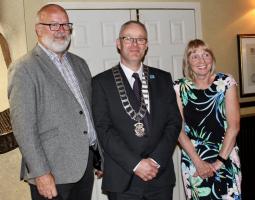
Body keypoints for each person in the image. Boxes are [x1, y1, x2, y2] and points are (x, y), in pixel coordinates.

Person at [8, 4, 101, 200]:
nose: (61, 30)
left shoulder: (80, 64)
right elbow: (23, 128)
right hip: (52, 171)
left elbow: (88, 113)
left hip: (83, 167)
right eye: (54, 25)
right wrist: (41, 173)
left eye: (66, 25)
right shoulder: (24, 68)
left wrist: (99, 156)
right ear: (38, 29)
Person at [92, 20, 182, 200]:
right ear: (119, 43)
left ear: (146, 45)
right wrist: (136, 164)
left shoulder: (163, 79)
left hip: (160, 176)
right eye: (128, 38)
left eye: (140, 39)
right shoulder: (101, 82)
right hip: (123, 177)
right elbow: (104, 130)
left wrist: (155, 160)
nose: (135, 44)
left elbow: (174, 122)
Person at [174, 39, 242, 200]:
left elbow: (234, 127)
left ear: (212, 58)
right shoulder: (179, 87)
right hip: (194, 160)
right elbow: (178, 128)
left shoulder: (226, 82)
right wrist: (198, 162)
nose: (201, 61)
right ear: (188, 62)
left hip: (225, 156)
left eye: (206, 55)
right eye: (194, 56)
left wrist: (219, 162)